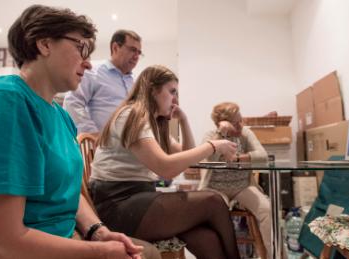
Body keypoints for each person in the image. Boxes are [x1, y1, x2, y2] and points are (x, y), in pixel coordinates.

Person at [0, 5, 160, 259]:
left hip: (60, 237)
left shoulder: (60, 116)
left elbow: (68, 192)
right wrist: (100, 253)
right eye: (81, 48)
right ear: (44, 44)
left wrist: (97, 230)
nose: (87, 63)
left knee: (148, 253)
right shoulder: (1, 102)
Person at [90, 65, 241, 259]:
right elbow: (166, 168)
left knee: (205, 237)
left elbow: (187, 156)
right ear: (153, 90)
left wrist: (184, 120)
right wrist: (213, 145)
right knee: (213, 201)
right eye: (172, 92)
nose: (175, 100)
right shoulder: (132, 115)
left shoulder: (152, 122)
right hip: (117, 205)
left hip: (137, 199)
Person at [199, 102, 273, 257]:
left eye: (241, 120)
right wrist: (220, 135)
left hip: (243, 187)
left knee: (267, 210)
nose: (240, 125)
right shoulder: (210, 136)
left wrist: (238, 158)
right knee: (217, 217)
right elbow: (208, 160)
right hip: (215, 188)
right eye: (235, 123)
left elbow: (263, 156)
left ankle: (274, 255)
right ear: (222, 124)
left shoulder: (246, 133)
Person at [63, 29, 142, 134]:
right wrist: (92, 135)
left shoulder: (136, 82)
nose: (136, 56)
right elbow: (72, 103)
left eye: (139, 52)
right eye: (132, 50)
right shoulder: (91, 71)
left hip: (131, 146)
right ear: (115, 48)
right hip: (100, 147)